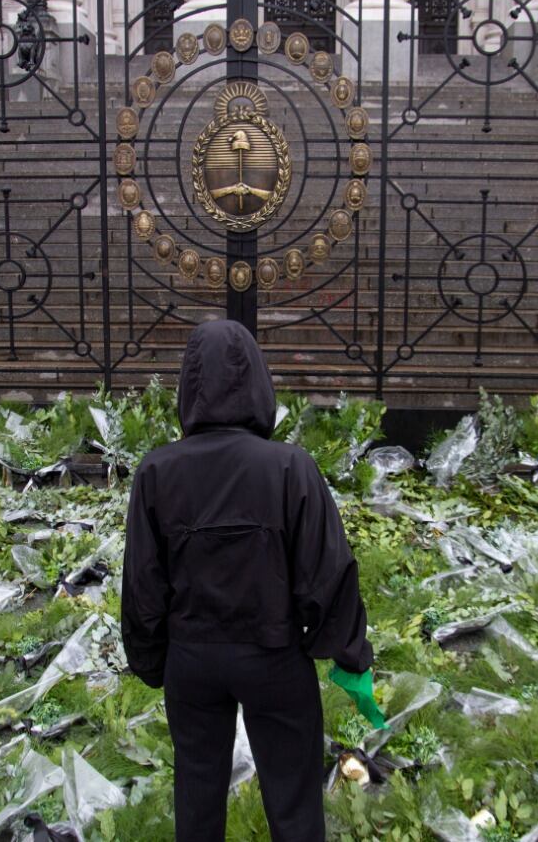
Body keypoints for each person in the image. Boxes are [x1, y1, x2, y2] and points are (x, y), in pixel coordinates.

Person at [122, 320, 380, 842]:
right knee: (294, 800)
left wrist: (151, 660)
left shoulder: (157, 471)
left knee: (196, 794)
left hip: (192, 660)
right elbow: (328, 571)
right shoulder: (289, 467)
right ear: (259, 382)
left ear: (189, 385)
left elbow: (143, 583)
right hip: (274, 658)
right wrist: (350, 654)